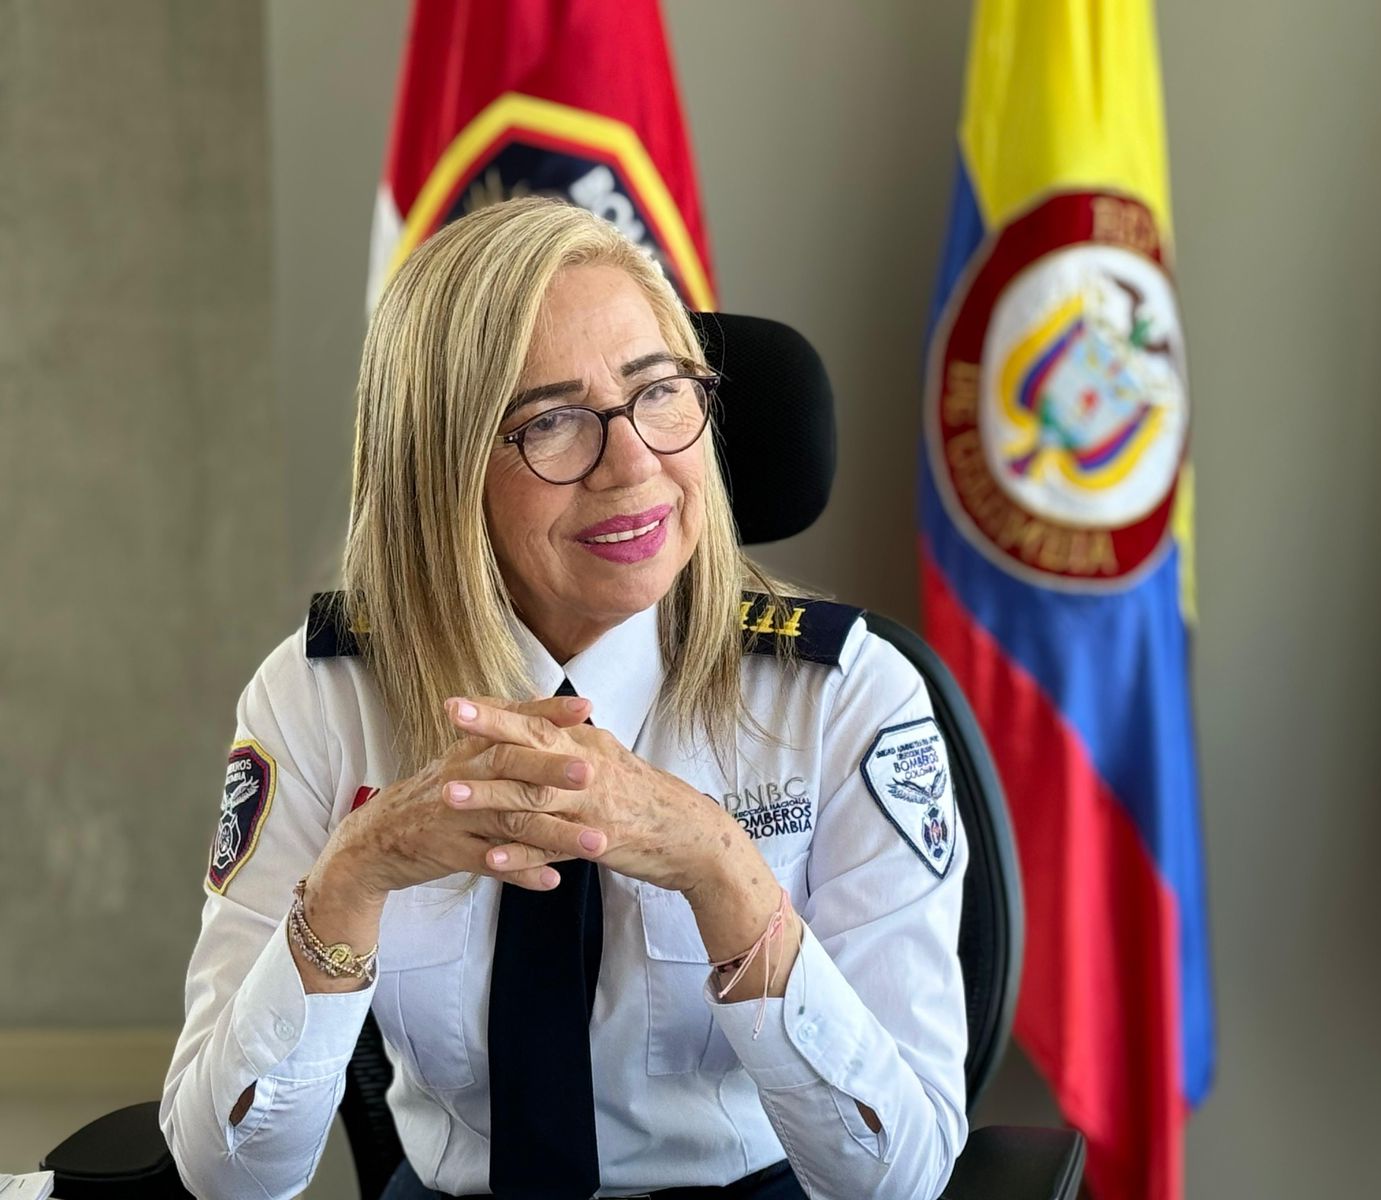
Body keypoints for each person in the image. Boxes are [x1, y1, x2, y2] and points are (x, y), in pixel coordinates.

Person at [159, 196, 968, 1200]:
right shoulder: (322, 695)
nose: (634, 465)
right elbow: (226, 1178)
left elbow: (900, 1177)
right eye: (552, 422)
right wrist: (349, 882)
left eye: (659, 392)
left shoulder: (843, 698)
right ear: (442, 469)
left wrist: (724, 871)